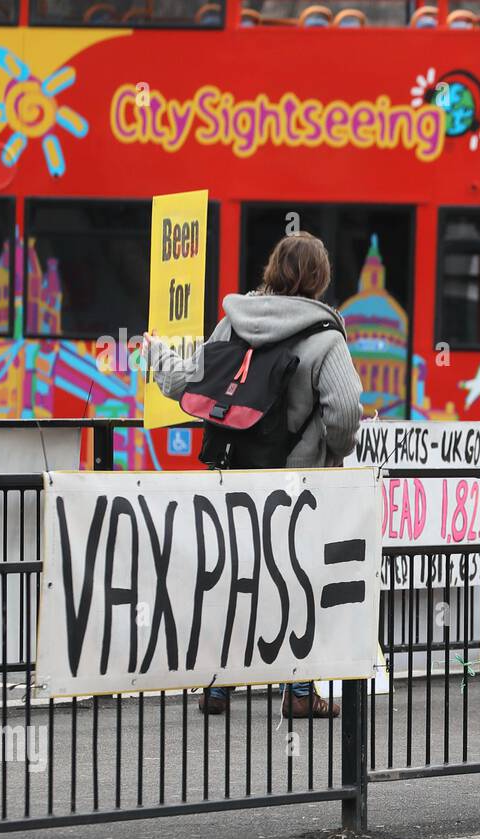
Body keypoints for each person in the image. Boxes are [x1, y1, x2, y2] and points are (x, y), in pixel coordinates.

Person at [154, 231, 364, 719]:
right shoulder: (326, 338)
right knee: (296, 580)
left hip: (233, 476)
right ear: (320, 279)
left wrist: (155, 354)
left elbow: (183, 382)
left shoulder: (233, 324)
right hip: (298, 487)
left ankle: (219, 685)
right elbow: (346, 412)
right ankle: (298, 691)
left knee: (234, 576)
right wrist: (332, 454)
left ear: (271, 269)